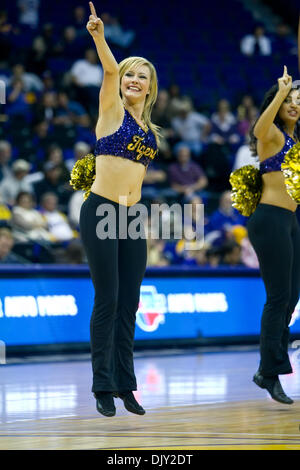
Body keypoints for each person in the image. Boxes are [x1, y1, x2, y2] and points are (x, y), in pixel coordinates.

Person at [77, 2, 160, 417]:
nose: (132, 80)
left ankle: (127, 384)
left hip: (131, 217)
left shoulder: (150, 128)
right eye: (129, 73)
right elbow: (108, 71)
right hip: (102, 210)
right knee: (107, 298)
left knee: (130, 301)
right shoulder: (110, 112)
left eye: (141, 77)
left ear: (149, 88)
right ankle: (102, 385)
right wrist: (99, 37)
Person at [247, 66, 300, 404]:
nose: (295, 104)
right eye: (290, 100)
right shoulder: (274, 136)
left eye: (299, 100)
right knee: (278, 297)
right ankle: (271, 370)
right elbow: (257, 128)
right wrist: (281, 91)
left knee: (291, 299)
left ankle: (267, 370)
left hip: (292, 222)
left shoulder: (295, 141)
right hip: (270, 219)